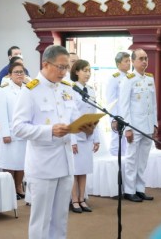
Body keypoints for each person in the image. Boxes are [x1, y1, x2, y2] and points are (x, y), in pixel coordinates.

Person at [13, 45, 95, 239]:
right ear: (45, 64)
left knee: (60, 218)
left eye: (67, 67)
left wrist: (87, 129)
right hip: (43, 165)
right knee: (41, 219)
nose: (64, 72)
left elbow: (74, 119)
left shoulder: (66, 88)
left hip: (66, 162)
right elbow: (18, 127)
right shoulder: (31, 90)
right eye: (60, 67)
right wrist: (49, 131)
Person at [119, 48, 158, 202]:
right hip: (134, 127)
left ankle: (140, 188)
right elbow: (124, 106)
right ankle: (129, 190)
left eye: (146, 58)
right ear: (133, 61)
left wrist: (154, 124)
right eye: (141, 59)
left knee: (143, 160)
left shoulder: (149, 79)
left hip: (147, 126)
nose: (144, 61)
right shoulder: (128, 80)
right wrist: (127, 128)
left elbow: (153, 104)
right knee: (132, 159)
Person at [70, 59, 100, 213]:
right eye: (84, 70)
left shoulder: (91, 90)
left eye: (89, 71)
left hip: (88, 134)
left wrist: (97, 138)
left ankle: (82, 199)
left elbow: (95, 115)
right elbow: (69, 117)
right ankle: (74, 200)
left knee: (84, 169)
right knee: (75, 170)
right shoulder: (71, 90)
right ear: (76, 72)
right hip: (76, 135)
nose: (87, 74)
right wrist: (72, 140)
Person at [0, 62, 27, 200]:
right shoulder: (4, 89)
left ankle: (18, 187)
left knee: (22, 162)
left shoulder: (27, 89)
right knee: (10, 162)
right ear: (9, 75)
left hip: (24, 131)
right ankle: (9, 189)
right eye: (16, 72)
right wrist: (5, 133)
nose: (19, 74)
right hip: (10, 132)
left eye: (22, 72)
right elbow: (2, 113)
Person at [105, 52, 131, 156]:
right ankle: (116, 168)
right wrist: (114, 118)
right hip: (118, 115)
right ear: (118, 64)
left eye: (129, 61)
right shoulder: (114, 78)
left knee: (129, 143)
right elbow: (111, 101)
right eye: (126, 61)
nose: (129, 63)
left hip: (129, 115)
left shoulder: (131, 77)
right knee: (117, 143)